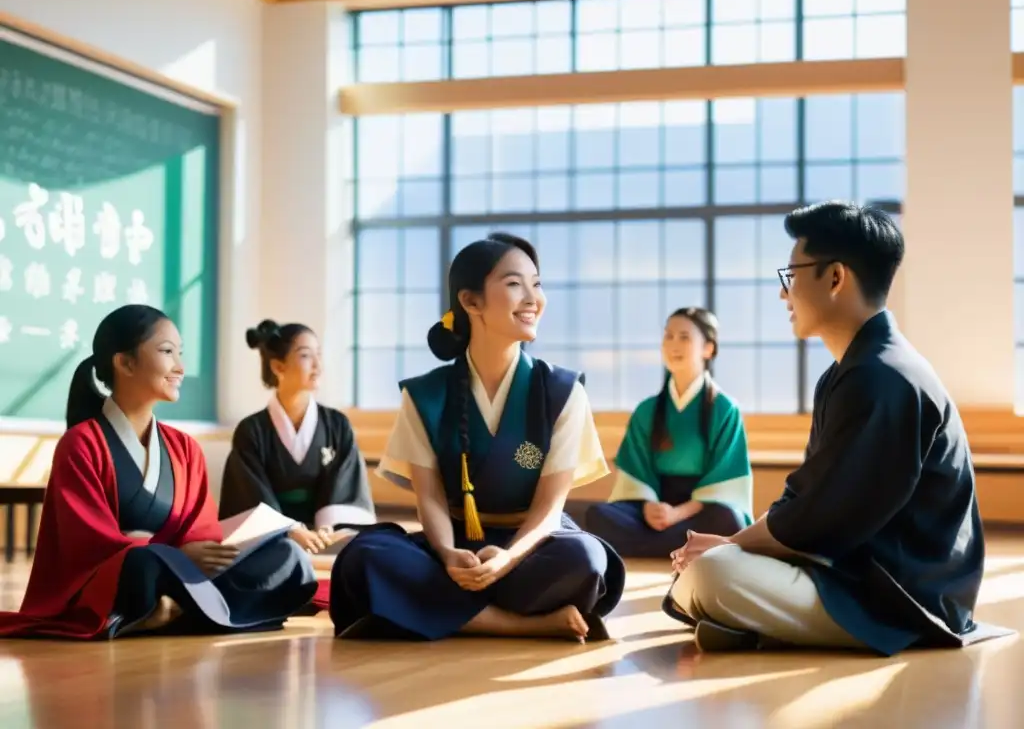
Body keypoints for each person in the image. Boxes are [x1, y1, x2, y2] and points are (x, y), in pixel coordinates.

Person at [664, 201, 1013, 655]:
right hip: (850, 571)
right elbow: (806, 502)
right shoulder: (852, 371)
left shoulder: (883, 375)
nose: (783, 295)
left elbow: (819, 521)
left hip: (899, 598)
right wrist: (734, 546)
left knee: (714, 573)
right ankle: (749, 622)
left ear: (834, 278)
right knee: (712, 568)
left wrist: (730, 545)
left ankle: (746, 620)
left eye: (791, 276)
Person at [329, 232, 626, 642]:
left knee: (585, 559)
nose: (532, 298)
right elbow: (429, 497)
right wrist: (449, 554)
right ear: (471, 302)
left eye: (536, 284)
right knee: (365, 556)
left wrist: (507, 558)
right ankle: (522, 624)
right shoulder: (425, 394)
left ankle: (438, 611)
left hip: (531, 546)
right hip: (452, 547)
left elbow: (549, 510)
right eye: (513, 284)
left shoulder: (561, 391)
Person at [0, 305, 318, 640]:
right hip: (129, 574)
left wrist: (201, 552)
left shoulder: (184, 448)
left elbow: (200, 532)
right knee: (144, 567)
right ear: (124, 362)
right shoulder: (80, 444)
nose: (180, 368)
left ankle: (169, 611)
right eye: (167, 352)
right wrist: (175, 556)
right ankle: (182, 610)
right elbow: (87, 545)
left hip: (182, 575)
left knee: (288, 558)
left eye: (180, 354)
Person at [585, 307, 753, 557]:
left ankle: (657, 545)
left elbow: (725, 481)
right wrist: (649, 507)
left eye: (684, 337)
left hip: (700, 511)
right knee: (597, 515)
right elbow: (636, 471)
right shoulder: (647, 410)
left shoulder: (725, 409)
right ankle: (688, 546)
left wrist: (678, 513)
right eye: (668, 336)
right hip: (653, 508)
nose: (673, 344)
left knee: (728, 520)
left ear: (708, 348)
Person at [219, 320, 376, 554]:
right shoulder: (252, 430)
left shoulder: (337, 425)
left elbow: (346, 490)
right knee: (283, 556)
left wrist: (329, 529)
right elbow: (247, 497)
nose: (318, 365)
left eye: (318, 354)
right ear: (278, 367)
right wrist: (289, 529)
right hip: (272, 539)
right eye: (305, 356)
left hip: (326, 538)